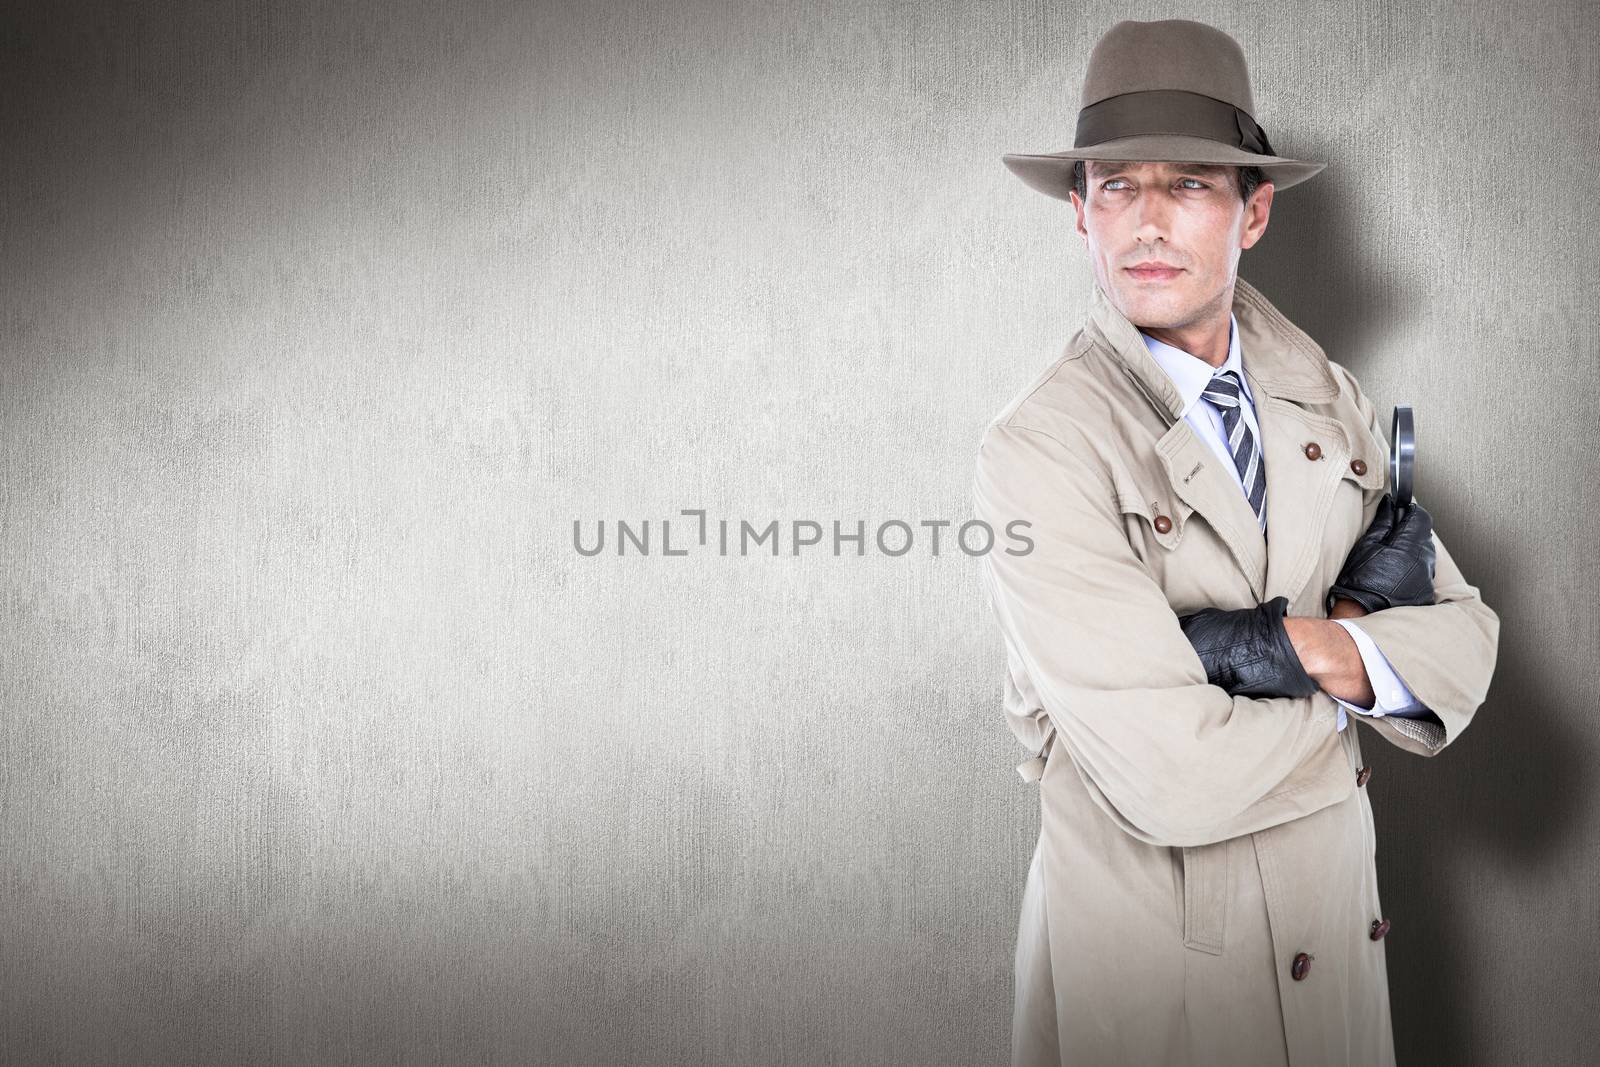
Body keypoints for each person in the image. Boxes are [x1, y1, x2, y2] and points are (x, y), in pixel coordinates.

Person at [971, 19, 1500, 1067]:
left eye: (1190, 184)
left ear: (1254, 212)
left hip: (1335, 971)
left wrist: (1266, 648)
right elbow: (1173, 779)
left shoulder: (1327, 392)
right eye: (1117, 186)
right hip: (1155, 997)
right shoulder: (1034, 450)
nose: (1148, 221)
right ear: (1078, 213)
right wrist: (1361, 669)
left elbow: (1470, 643)